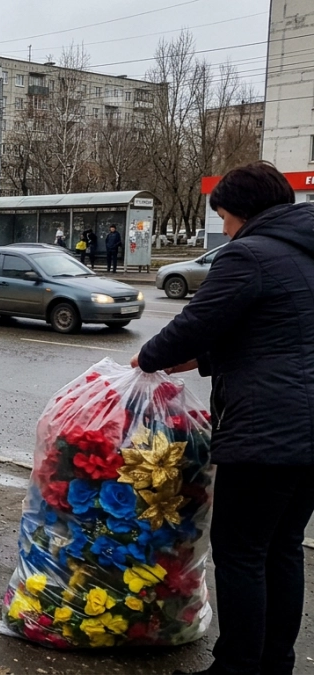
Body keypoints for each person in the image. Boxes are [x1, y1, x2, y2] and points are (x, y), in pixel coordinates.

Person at [131, 162, 314, 675]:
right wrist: (205, 361)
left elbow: (197, 321)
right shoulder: (305, 253)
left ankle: (236, 665)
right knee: (282, 549)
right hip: (306, 434)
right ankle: (275, 662)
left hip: (268, 434)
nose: (226, 228)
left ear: (242, 213)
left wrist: (147, 359)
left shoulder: (250, 253)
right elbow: (282, 333)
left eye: (226, 217)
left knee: (240, 555)